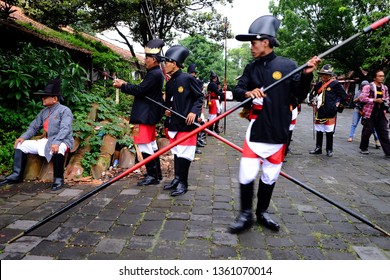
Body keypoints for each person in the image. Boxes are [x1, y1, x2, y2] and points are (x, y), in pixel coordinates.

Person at [228, 15, 320, 234]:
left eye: (253, 43)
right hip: (257, 129)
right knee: (247, 171)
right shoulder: (251, 68)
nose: (251, 47)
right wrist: (248, 92)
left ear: (266, 42)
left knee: (270, 175)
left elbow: (298, 95)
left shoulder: (288, 66)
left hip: (280, 130)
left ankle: (262, 212)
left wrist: (306, 75)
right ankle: (245, 215)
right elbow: (238, 90)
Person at [0, 76, 74, 191]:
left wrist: (57, 142)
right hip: (48, 141)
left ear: (54, 98)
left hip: (63, 141)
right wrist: (23, 137)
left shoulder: (65, 110)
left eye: (45, 97)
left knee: (58, 148)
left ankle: (58, 179)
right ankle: (16, 175)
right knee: (21, 145)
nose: (43, 99)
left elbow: (65, 128)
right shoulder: (43, 112)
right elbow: (34, 127)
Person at [113, 39, 165, 186]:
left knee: (145, 145)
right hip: (147, 115)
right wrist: (125, 84)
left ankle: (152, 175)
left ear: (154, 59)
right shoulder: (155, 73)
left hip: (145, 115)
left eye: (147, 58)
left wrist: (122, 85)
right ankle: (156, 174)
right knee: (151, 145)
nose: (145, 60)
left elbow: (139, 91)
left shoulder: (154, 74)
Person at [161, 45, 204, 196]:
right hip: (174, 123)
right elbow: (169, 102)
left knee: (185, 154)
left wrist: (194, 112)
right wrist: (167, 109)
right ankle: (177, 178)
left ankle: (183, 183)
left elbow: (199, 97)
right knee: (177, 152)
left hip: (186, 124)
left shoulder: (188, 79)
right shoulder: (170, 82)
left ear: (174, 63)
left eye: (166, 62)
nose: (164, 65)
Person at [309, 64, 347, 157]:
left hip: (330, 111)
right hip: (319, 110)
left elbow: (344, 96)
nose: (324, 76)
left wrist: (338, 107)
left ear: (330, 75)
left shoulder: (335, 84)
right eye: (322, 74)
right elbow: (312, 94)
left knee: (329, 131)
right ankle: (318, 148)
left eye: (326, 74)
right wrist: (312, 101)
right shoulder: (318, 84)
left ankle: (329, 150)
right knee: (319, 130)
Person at [359, 69, 390, 158]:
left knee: (384, 131)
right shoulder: (368, 87)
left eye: (383, 76)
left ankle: (388, 152)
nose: (382, 78)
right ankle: (363, 148)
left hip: (381, 112)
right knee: (367, 131)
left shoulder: (385, 88)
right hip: (370, 112)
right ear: (374, 78)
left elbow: (387, 98)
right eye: (379, 76)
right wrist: (374, 100)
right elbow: (362, 98)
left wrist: (385, 101)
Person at [347, 80, 380, 148]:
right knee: (354, 123)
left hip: (367, 110)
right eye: (363, 86)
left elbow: (373, 101)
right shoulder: (359, 92)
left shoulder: (372, 92)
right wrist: (360, 98)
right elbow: (354, 100)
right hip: (358, 109)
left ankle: (377, 140)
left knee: (371, 126)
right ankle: (351, 136)